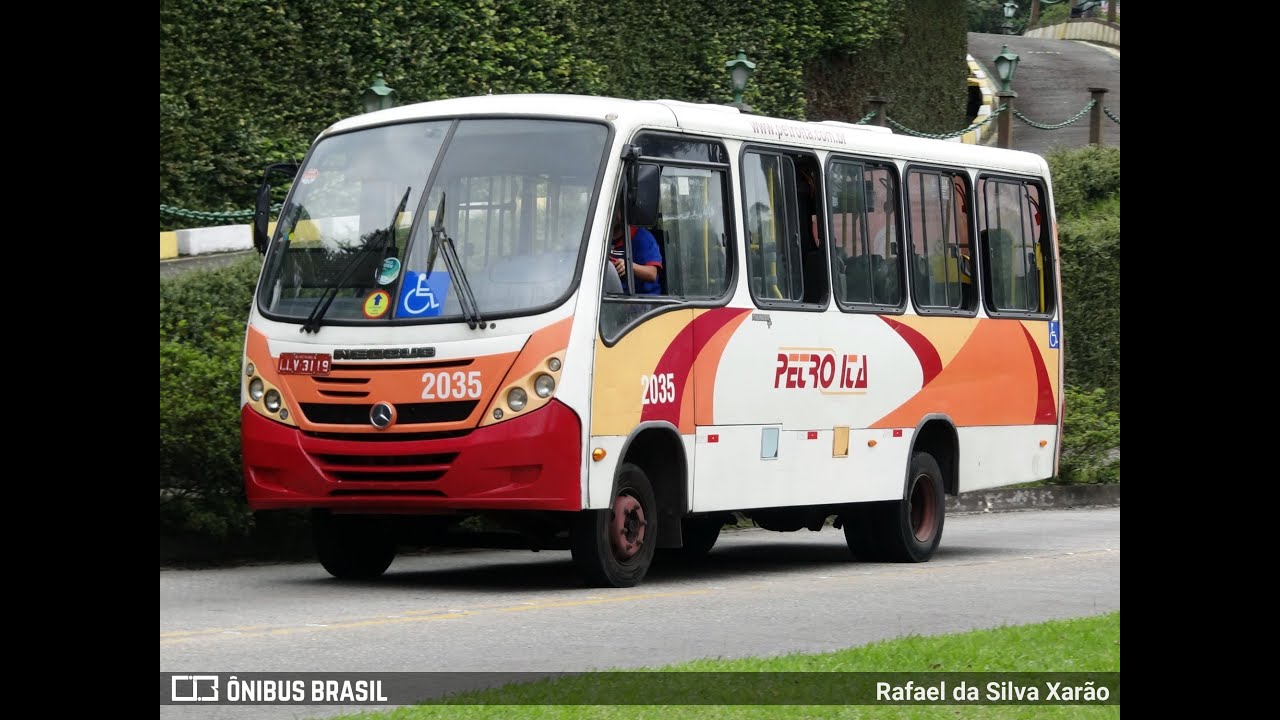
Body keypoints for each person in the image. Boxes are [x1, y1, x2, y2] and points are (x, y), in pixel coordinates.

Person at [609, 205, 663, 295]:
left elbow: (652, 274)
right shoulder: (599, 238)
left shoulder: (642, 237)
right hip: (611, 297)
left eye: (615, 208)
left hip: (642, 301)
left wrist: (629, 266)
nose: (611, 213)